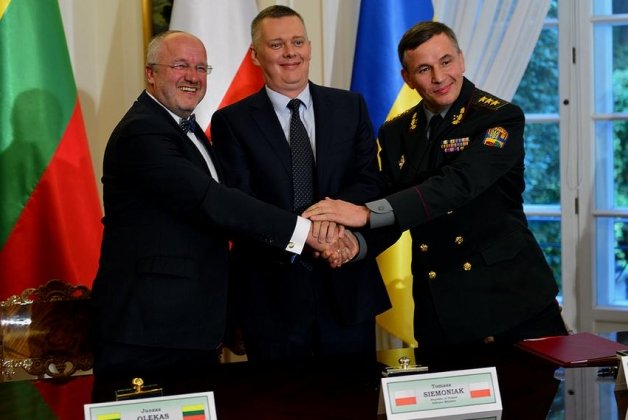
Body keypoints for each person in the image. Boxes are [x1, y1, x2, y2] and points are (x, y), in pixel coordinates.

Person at [90, 30, 344, 401]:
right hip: (147, 330)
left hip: (188, 325)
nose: (192, 76)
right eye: (180, 66)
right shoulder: (142, 132)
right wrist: (306, 232)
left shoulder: (185, 130)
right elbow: (213, 201)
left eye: (201, 68)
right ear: (150, 73)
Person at [304, 21, 568, 367]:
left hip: (510, 301)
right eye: (424, 69)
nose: (439, 77)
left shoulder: (499, 117)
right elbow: (395, 205)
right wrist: (356, 244)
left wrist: (365, 213)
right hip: (439, 305)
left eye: (446, 62)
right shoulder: (397, 131)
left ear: (461, 60)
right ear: (407, 78)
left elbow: (458, 184)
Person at [210, 5, 390, 362]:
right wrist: (307, 236)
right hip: (272, 298)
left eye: (297, 42)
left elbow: (370, 181)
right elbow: (241, 204)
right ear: (255, 55)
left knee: (354, 394)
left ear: (309, 47)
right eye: (276, 44)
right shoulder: (232, 121)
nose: (290, 53)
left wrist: (328, 222)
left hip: (346, 288)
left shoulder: (350, 106)